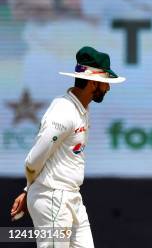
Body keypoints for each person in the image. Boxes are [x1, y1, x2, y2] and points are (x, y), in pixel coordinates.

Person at [9, 46, 126, 248]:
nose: (108, 88)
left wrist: (29, 189)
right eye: (105, 83)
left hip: (70, 197)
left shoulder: (81, 108)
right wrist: (33, 189)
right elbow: (33, 159)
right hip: (53, 197)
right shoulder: (64, 112)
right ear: (92, 82)